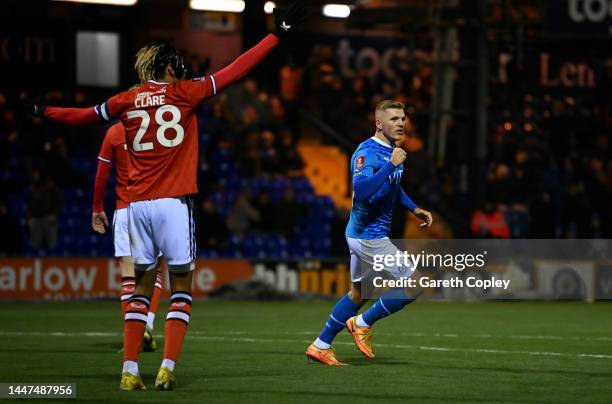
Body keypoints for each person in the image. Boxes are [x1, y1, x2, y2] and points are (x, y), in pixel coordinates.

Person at [29, 0, 307, 390]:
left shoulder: (125, 101)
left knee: (139, 290)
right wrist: (278, 34)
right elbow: (238, 68)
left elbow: (82, 116)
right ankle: (166, 368)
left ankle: (128, 372)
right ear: (170, 67)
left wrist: (44, 111)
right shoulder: (185, 93)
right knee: (181, 290)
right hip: (173, 205)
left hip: (136, 205)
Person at [305, 100, 434, 365]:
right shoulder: (368, 153)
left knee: (359, 293)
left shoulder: (393, 151)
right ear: (378, 123)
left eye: (402, 118)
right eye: (394, 118)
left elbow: (393, 187)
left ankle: (320, 345)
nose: (401, 123)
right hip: (369, 236)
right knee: (418, 284)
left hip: (362, 234)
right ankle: (362, 323)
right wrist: (391, 165)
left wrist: (414, 208)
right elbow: (362, 192)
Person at [91, 122, 164, 352]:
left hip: (125, 209)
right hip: (155, 206)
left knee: (128, 275)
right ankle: (148, 325)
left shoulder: (114, 132)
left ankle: (132, 335)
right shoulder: (156, 126)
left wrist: (96, 208)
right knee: (155, 271)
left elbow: (102, 172)